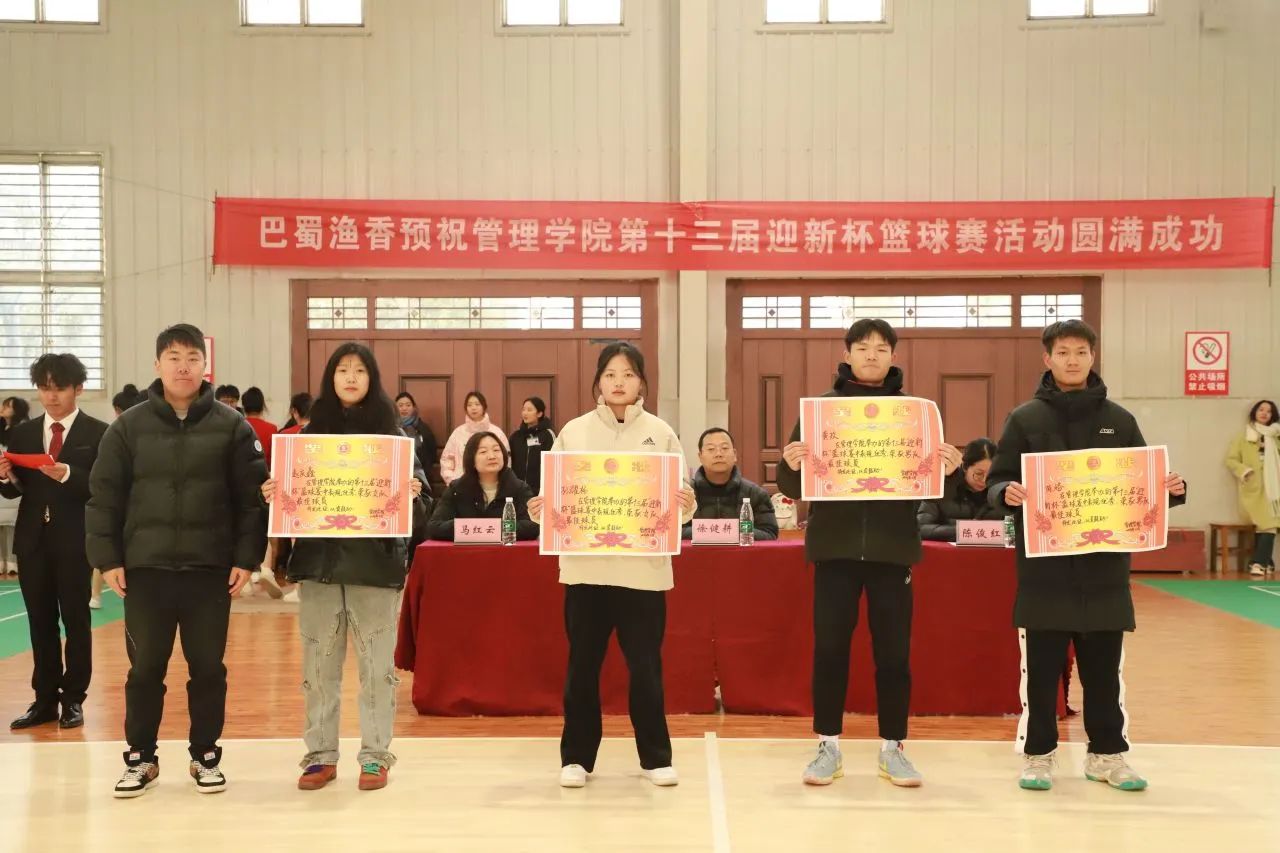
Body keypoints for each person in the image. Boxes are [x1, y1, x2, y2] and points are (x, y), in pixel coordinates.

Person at [986, 319, 1186, 793]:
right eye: (1063, 352)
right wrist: (1004, 492)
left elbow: (1145, 484)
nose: (1072, 360)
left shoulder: (1119, 419)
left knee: (1104, 675)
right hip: (1045, 570)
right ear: (1047, 359)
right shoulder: (1024, 419)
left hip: (1104, 569)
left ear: (1092, 357)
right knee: (1041, 676)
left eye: (1081, 352)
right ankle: (1039, 756)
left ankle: (1107, 756)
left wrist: (1172, 489)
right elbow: (996, 480)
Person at [776, 319, 961, 789]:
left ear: (894, 356)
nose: (872, 355)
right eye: (863, 347)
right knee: (830, 651)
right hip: (834, 549)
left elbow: (932, 486)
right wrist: (790, 463)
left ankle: (893, 748)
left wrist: (950, 470)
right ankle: (828, 745)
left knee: (894, 655)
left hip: (892, 551)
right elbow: (793, 485)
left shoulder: (915, 415)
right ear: (847, 354)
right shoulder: (820, 412)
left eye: (881, 348)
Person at [86, 324, 267, 799]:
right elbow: (104, 497)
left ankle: (205, 756)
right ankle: (140, 758)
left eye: (192, 358)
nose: (183, 367)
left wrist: (246, 558)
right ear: (157, 365)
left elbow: (252, 501)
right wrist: (108, 559)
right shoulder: (128, 427)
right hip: (146, 571)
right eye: (173, 358)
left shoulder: (232, 426)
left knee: (207, 668)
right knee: (145, 669)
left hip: (210, 571)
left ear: (205, 366)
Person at [528, 342, 696, 789]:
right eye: (610, 375)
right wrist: (541, 509)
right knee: (582, 668)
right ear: (598, 382)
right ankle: (576, 758)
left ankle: (656, 758)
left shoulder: (660, 432)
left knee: (646, 668)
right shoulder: (574, 431)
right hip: (586, 571)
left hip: (644, 573)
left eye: (628, 374)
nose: (619, 383)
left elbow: (681, 498)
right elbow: (553, 497)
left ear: (642, 382)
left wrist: (686, 504)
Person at [262, 343, 427, 792]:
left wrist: (413, 493)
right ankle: (320, 756)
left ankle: (375, 757)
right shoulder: (306, 439)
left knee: (377, 668)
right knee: (318, 667)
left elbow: (423, 509)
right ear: (329, 379)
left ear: (372, 379)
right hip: (319, 565)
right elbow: (287, 505)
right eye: (342, 370)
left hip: (376, 567)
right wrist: (273, 494)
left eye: (359, 370)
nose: (351, 377)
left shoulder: (394, 439)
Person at [0, 354, 108, 732]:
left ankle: (73, 698)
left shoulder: (99, 433)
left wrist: (68, 474)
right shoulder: (24, 433)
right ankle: (44, 699)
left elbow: (105, 487)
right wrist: (5, 477)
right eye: (44, 388)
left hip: (76, 540)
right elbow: (14, 492)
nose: (51, 396)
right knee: (40, 622)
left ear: (78, 389)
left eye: (59, 388)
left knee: (76, 621)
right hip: (32, 541)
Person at [427, 431, 538, 541]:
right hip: (468, 551)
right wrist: (470, 528)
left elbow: (532, 526)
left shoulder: (519, 488)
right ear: (471, 459)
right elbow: (434, 527)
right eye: (483, 452)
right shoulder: (456, 489)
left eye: (496, 450)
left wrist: (491, 528)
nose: (492, 456)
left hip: (507, 551)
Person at [682, 427, 778, 541]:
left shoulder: (755, 493)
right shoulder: (686, 493)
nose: (718, 454)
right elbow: (673, 532)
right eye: (711, 449)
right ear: (700, 456)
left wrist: (729, 531)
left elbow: (769, 533)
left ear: (735, 454)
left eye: (724, 448)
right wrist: (721, 531)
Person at [1224, 399, 1280, 577]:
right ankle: (1260, 563)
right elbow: (1231, 460)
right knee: (1267, 525)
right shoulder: (1244, 436)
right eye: (1261, 409)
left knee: (1267, 525)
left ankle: (1263, 562)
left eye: (1268, 411)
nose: (1264, 413)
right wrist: (1245, 471)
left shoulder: (1276, 436)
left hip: (1274, 488)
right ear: (1254, 412)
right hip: (1253, 489)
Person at [240, 387, 284, 598]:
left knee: (244, 526)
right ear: (263, 405)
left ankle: (247, 577)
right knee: (268, 527)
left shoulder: (239, 425)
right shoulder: (272, 428)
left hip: (243, 482)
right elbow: (277, 457)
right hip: (267, 481)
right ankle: (266, 568)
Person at [916, 437, 1003, 541]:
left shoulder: (998, 492)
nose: (984, 480)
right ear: (965, 467)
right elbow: (921, 528)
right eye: (979, 474)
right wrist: (965, 531)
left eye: (990, 475)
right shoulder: (944, 486)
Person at [440, 391, 509, 485]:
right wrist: (453, 481)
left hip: (490, 485)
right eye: (469, 405)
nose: (473, 408)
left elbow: (506, 460)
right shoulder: (458, 433)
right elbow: (447, 460)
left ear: (484, 406)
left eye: (477, 404)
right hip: (462, 486)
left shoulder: (497, 433)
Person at [0, 396, 31, 575]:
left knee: (12, 524)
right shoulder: (3, 428)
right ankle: (1, 561)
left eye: (7, 406)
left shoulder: (21, 432)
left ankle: (12, 562)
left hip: (14, 481)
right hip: (2, 478)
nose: (3, 408)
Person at [509, 396, 555, 495]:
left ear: (539, 413)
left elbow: (552, 463)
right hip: (518, 491)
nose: (525, 413)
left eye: (529, 410)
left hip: (540, 491)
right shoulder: (515, 437)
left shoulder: (548, 435)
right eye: (523, 410)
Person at [395, 391, 439, 480]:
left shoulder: (423, 428)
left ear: (414, 407)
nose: (404, 408)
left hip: (420, 475)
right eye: (400, 405)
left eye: (408, 405)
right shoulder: (390, 428)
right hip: (396, 473)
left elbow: (432, 453)